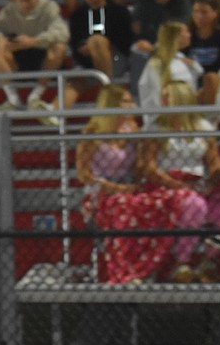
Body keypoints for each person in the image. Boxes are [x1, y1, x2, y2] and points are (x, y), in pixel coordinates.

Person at [76, 84, 196, 284]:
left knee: (157, 202)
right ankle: (126, 270)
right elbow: (83, 175)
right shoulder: (91, 134)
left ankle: (148, 267)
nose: (132, 105)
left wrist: (142, 156)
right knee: (123, 205)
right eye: (126, 101)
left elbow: (140, 168)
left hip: (130, 186)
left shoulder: (132, 129)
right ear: (112, 105)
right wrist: (112, 187)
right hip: (100, 190)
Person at [140, 80, 220, 283]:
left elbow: (213, 162)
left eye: (167, 98)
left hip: (197, 182)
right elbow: (148, 167)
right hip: (167, 183)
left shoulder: (204, 128)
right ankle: (181, 263)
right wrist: (177, 184)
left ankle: (207, 262)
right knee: (195, 205)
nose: (162, 101)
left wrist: (213, 179)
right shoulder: (156, 127)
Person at [0, 0, 69, 116]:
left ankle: (35, 96)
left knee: (59, 47)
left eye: (28, 0)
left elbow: (63, 34)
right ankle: (12, 98)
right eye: (20, 0)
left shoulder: (49, 7)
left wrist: (34, 41)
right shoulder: (9, 10)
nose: (24, 4)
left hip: (42, 56)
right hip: (18, 58)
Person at [68, 0, 133, 83]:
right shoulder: (77, 15)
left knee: (97, 40)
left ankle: (108, 87)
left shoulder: (119, 12)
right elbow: (74, 42)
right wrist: (82, 47)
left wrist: (104, 45)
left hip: (115, 58)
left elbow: (126, 41)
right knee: (73, 84)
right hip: (86, 60)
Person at [138, 21, 203, 119]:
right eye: (186, 32)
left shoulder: (181, 58)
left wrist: (194, 65)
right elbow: (156, 95)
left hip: (186, 115)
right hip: (164, 119)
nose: (189, 35)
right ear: (176, 37)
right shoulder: (157, 64)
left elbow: (196, 80)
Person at [187, 0, 220, 103]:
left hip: (216, 80)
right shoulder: (188, 36)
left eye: (204, 12)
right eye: (195, 12)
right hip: (192, 80)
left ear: (215, 13)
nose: (199, 16)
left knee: (211, 78)